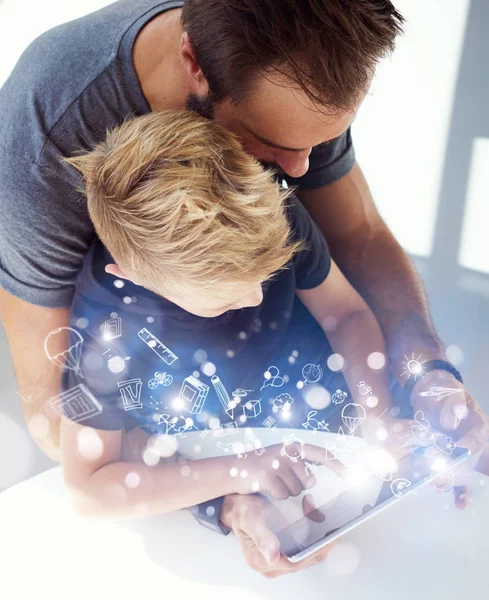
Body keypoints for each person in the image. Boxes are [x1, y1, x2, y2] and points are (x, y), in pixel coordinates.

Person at [0, 0, 487, 578]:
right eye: (273, 142)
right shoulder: (47, 153)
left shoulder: (271, 192)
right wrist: (225, 494)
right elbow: (67, 441)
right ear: (194, 64)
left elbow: (352, 269)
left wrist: (415, 380)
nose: (302, 172)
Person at [59, 107, 411, 536]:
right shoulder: (105, 331)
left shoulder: (270, 209)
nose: (258, 297)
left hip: (335, 433)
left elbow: (346, 313)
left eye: (266, 274)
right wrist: (239, 474)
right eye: (225, 299)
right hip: (216, 476)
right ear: (135, 279)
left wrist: (378, 415)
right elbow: (88, 490)